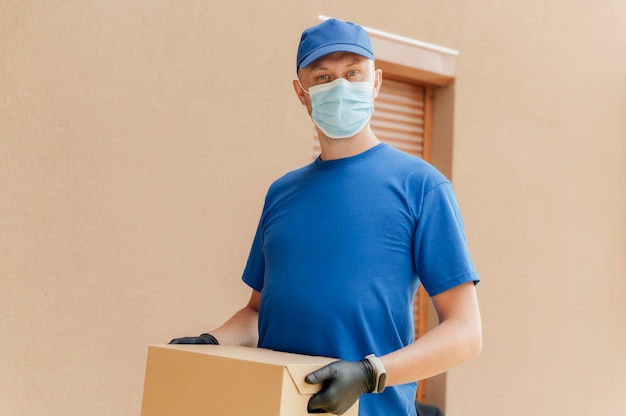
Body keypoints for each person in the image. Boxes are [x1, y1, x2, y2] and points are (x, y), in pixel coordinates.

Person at [170, 18, 482, 416]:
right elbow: (256, 313)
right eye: (323, 76)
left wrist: (371, 373)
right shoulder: (282, 193)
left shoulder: (421, 187)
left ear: (376, 82)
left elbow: (465, 332)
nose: (341, 87)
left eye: (354, 73)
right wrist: (212, 341)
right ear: (302, 93)